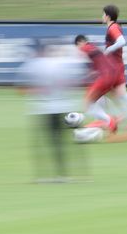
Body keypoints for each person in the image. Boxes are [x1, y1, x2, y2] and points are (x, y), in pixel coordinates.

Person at [17, 40, 87, 182]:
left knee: (46, 142)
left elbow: (21, 89)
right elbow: (76, 82)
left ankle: (45, 175)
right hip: (65, 106)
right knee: (67, 140)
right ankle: (74, 174)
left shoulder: (33, 65)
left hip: (43, 109)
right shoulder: (63, 63)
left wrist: (38, 90)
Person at [75, 35, 119, 134]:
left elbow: (90, 55)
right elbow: (98, 63)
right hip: (111, 76)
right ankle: (109, 118)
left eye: (78, 46)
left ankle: (109, 120)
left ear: (80, 42)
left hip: (104, 77)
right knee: (98, 98)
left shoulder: (86, 47)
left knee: (88, 104)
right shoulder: (94, 47)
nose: (79, 48)